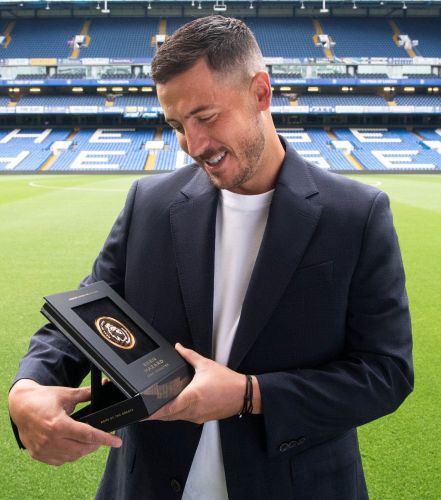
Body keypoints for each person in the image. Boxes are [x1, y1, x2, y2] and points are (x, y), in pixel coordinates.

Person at [9, 16, 413, 500]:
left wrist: (249, 394)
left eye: (206, 116)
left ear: (260, 93)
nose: (194, 145)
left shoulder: (357, 214)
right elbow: (86, 315)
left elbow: (386, 372)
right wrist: (28, 388)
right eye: (177, 126)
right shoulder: (149, 204)